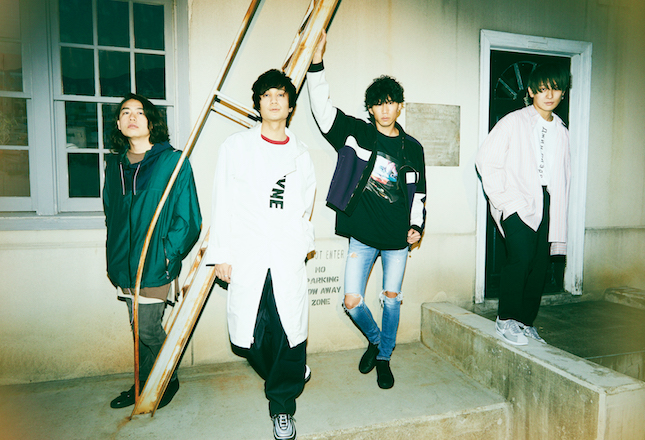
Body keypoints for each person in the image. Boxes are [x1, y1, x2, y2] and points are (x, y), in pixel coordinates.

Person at [307, 31, 427, 390]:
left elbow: (420, 192)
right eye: (379, 104)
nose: (385, 109)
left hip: (397, 238)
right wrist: (316, 63)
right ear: (371, 108)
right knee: (352, 301)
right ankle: (376, 341)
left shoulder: (413, 148)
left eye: (392, 103)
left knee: (391, 299)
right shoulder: (355, 133)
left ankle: (384, 357)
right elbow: (322, 111)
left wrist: (417, 226)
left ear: (400, 106)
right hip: (362, 234)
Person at [207, 69, 316, 440]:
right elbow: (222, 202)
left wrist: (301, 244)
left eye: (280, 95)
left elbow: (305, 206)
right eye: (266, 94)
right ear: (258, 103)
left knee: (287, 329)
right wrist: (221, 254)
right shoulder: (236, 147)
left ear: (290, 105)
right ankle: (289, 372)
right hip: (248, 253)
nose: (273, 101)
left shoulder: (301, 153)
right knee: (251, 334)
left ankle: (282, 406)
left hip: (285, 255)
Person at [103, 93, 202, 409]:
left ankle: (166, 380)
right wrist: (114, 253)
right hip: (123, 263)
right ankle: (143, 384)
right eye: (125, 112)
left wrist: (167, 252)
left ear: (151, 122)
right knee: (138, 331)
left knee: (147, 328)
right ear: (118, 123)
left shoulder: (173, 161)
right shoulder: (114, 165)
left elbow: (189, 218)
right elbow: (111, 213)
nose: (132, 117)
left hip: (155, 261)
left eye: (140, 112)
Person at [475, 63, 571, 345]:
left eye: (555, 88)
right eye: (542, 89)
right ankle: (506, 319)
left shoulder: (562, 130)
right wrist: (506, 200)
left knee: (539, 265)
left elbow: (564, 174)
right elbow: (486, 160)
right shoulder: (513, 121)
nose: (549, 95)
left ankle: (525, 322)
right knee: (520, 258)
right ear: (530, 91)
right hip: (517, 198)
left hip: (548, 201)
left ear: (563, 92)